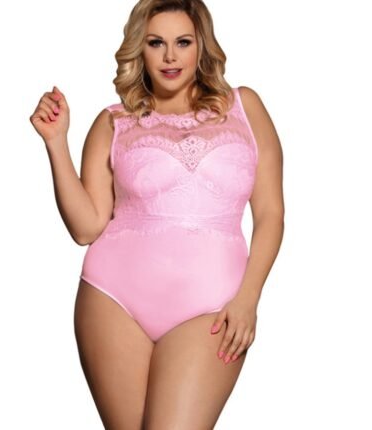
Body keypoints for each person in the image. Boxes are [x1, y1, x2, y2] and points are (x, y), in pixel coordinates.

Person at [29, 0, 284, 428]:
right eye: (155, 43)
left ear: (201, 46)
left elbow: (271, 214)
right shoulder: (113, 123)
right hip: (113, 299)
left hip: (214, 305)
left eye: (182, 42)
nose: (170, 56)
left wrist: (248, 299)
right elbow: (86, 227)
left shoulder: (244, 107)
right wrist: (56, 143)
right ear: (139, 49)